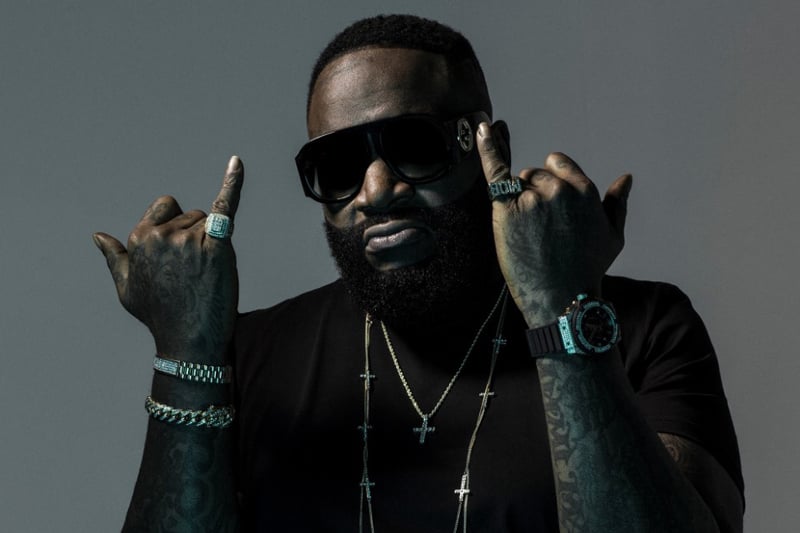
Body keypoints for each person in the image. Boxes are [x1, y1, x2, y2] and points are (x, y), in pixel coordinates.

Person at [93, 14, 744, 533]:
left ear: (489, 145)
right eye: (338, 166)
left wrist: (559, 309)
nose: (376, 190)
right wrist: (185, 352)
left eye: (413, 146)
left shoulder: (639, 328)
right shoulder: (249, 354)